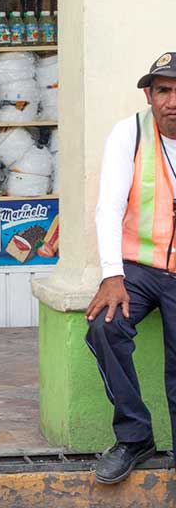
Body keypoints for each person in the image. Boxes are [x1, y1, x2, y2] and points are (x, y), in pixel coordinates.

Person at [86, 51, 176, 484]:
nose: (172, 100)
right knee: (105, 326)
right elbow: (109, 207)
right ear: (149, 94)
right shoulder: (130, 133)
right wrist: (111, 275)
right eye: (164, 90)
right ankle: (135, 436)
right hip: (138, 267)